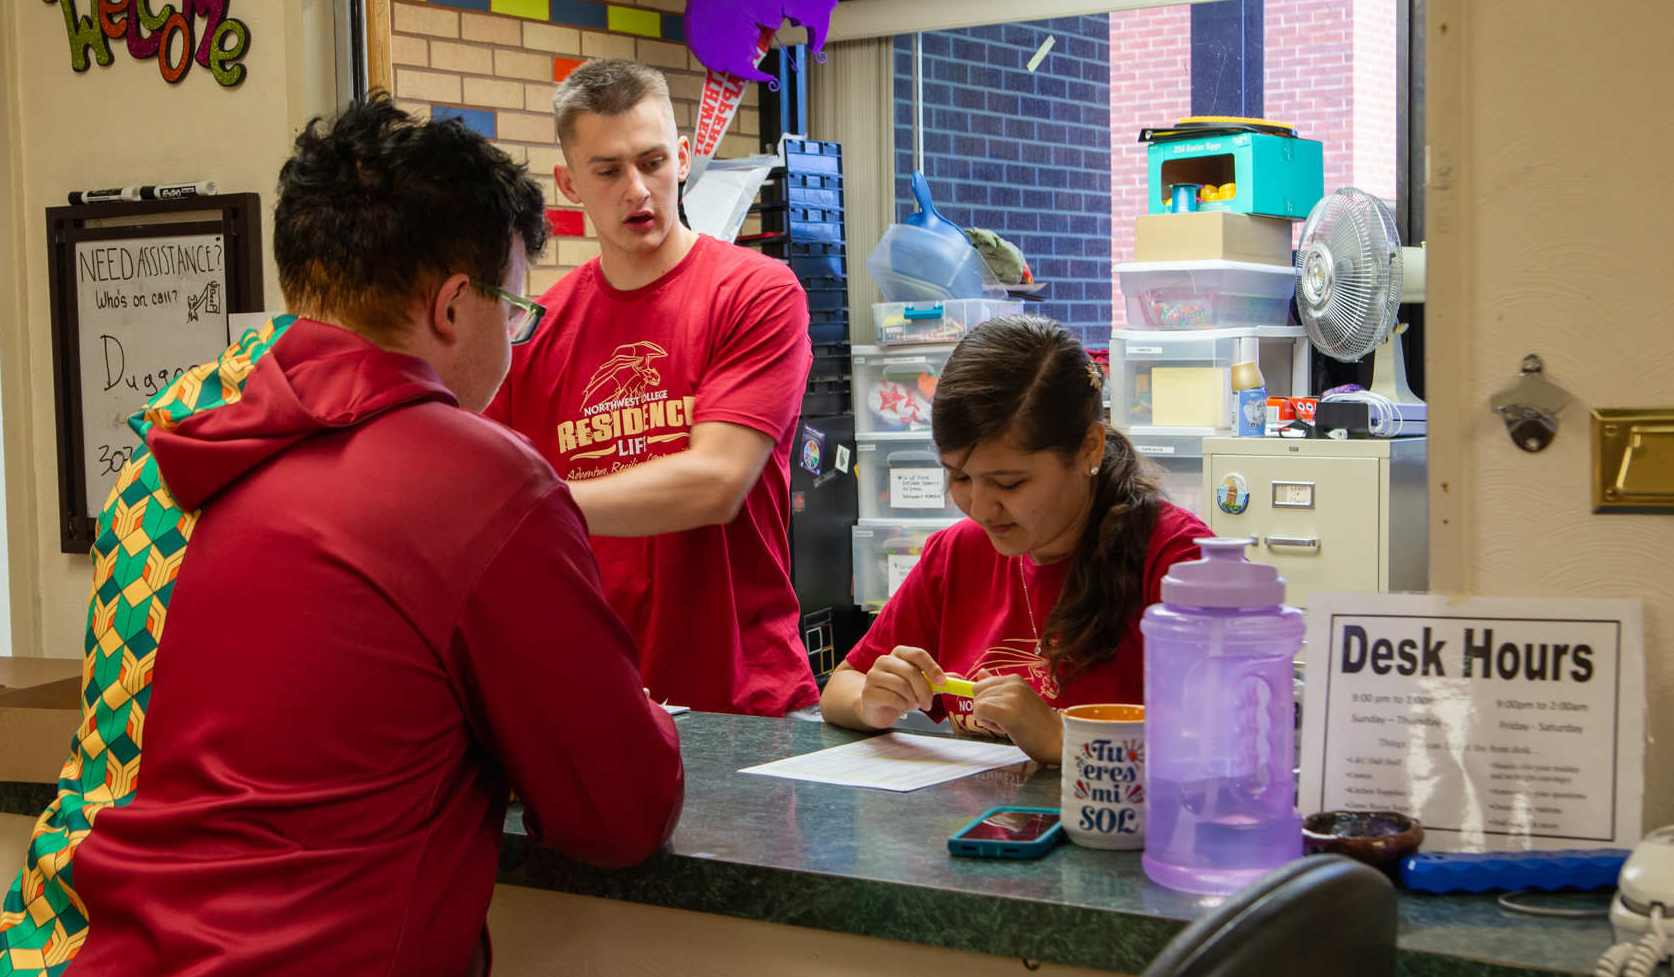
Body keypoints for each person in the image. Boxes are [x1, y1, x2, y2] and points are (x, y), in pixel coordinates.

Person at [0, 96, 685, 977]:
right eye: (514, 310)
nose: (513, 341)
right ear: (452, 306)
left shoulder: (174, 447)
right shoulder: (478, 479)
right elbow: (615, 810)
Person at [484, 58, 816, 717]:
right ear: (569, 182)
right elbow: (487, 496)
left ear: (685, 157)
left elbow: (715, 483)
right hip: (597, 696)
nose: (636, 189)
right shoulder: (535, 332)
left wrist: (535, 507)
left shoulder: (756, 295)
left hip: (742, 696)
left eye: (653, 161)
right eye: (607, 171)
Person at [820, 316, 1212, 765]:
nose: (981, 508)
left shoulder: (1179, 562)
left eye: (1009, 484)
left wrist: (1064, 740)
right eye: (960, 476)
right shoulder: (960, 552)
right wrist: (870, 702)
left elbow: (1226, 742)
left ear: (1089, 448)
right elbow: (841, 686)